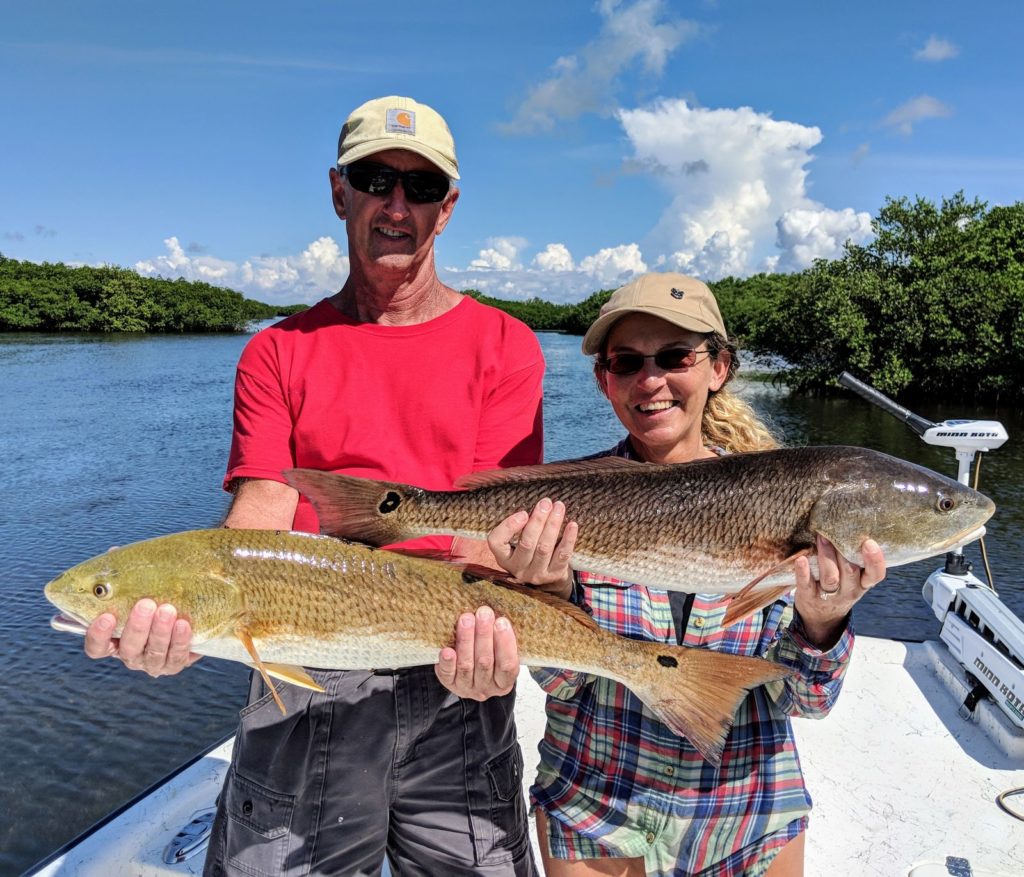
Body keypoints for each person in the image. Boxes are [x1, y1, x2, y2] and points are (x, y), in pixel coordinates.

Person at [82, 95, 548, 876]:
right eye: (375, 178)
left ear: (449, 207)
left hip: (457, 680)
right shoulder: (277, 353)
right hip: (302, 672)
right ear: (339, 192)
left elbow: (484, 537)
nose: (397, 205)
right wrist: (182, 620)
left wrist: (500, 637)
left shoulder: (508, 347)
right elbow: (259, 515)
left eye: (421, 186)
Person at [485, 272, 886, 877]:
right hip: (597, 807)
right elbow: (563, 685)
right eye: (627, 362)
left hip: (748, 815)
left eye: (675, 357)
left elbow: (807, 701)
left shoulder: (785, 494)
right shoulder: (562, 503)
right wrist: (550, 596)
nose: (651, 381)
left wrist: (824, 620)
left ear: (718, 368)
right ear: (605, 379)